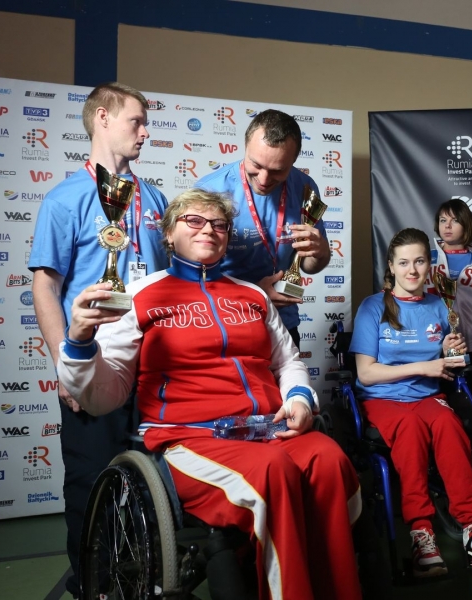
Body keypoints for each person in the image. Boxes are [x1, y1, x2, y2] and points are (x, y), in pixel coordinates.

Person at [57, 189, 362, 600]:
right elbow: (103, 396)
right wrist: (78, 342)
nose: (209, 230)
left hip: (265, 431)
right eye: (194, 221)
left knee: (329, 460)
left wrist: (299, 400)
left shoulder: (252, 295)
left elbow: (288, 362)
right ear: (168, 234)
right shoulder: (139, 297)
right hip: (189, 438)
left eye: (219, 224)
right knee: (272, 471)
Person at [28, 82, 170, 599]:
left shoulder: (154, 199)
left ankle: (152, 577)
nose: (145, 131)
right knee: (92, 482)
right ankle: (97, 586)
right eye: (137, 121)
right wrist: (65, 364)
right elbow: (46, 285)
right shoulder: (65, 198)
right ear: (103, 117)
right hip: (96, 364)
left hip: (154, 369)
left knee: (155, 481)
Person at [350, 228, 472, 578]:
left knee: (449, 425)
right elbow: (365, 374)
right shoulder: (373, 307)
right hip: (384, 399)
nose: (412, 270)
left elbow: (448, 359)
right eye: (404, 262)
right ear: (391, 267)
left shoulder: (441, 304)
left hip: (428, 395)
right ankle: (421, 532)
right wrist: (425, 365)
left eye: (420, 261)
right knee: (410, 429)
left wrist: (449, 352)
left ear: (430, 266)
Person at [195, 109, 330, 344]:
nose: (264, 179)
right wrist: (254, 294)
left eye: (278, 170)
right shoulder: (209, 191)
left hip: (283, 325)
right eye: (256, 165)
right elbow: (191, 275)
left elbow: (309, 266)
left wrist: (319, 252)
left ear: (294, 160)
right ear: (245, 147)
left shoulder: (305, 187)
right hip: (226, 323)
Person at [427, 198, 472, 355]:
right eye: (443, 220)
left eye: (455, 220)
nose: (447, 225)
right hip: (434, 343)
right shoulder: (427, 260)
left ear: (466, 225)